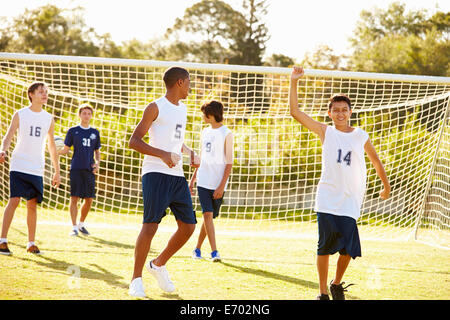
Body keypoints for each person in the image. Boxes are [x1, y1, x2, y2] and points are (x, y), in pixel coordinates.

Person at [289, 66, 391, 300]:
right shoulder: (325, 132)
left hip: (350, 200)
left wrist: (386, 186)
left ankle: (336, 283)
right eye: (336, 110)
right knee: (324, 246)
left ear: (351, 112)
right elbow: (295, 112)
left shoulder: (360, 135)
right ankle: (323, 293)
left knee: (348, 249)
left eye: (344, 110)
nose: (341, 114)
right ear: (329, 113)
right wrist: (294, 81)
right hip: (326, 198)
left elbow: (375, 161)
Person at [128, 67, 199, 298]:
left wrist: (189, 152)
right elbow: (134, 141)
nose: (190, 86)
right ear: (179, 82)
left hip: (177, 175)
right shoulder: (155, 107)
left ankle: (157, 264)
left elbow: (176, 141)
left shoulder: (183, 109)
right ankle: (136, 280)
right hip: (155, 173)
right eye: (189, 82)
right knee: (150, 226)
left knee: (188, 226)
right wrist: (163, 155)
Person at [0, 82, 60, 255]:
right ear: (31, 94)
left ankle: (31, 243)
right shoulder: (20, 114)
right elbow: (8, 136)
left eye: (46, 92)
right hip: (19, 164)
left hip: (36, 167)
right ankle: (2, 240)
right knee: (14, 200)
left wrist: (57, 171)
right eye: (41, 92)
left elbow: (51, 146)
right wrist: (2, 150)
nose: (44, 94)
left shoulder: (48, 118)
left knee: (32, 205)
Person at [189, 100, 233, 262]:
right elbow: (201, 159)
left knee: (209, 217)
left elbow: (229, 163)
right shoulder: (204, 132)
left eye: (204, 113)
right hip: (203, 180)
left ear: (211, 114)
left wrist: (221, 186)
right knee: (207, 214)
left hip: (218, 183)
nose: (202, 116)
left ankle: (197, 248)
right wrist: (192, 180)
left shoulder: (227, 134)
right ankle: (215, 252)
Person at [58, 104, 101, 236]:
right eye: (84, 113)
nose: (86, 115)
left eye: (89, 113)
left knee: (89, 199)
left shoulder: (95, 132)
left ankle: (81, 224)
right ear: (79, 115)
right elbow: (65, 150)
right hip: (76, 168)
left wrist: (97, 163)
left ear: (91, 115)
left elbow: (97, 152)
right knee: (74, 198)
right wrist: (55, 151)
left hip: (89, 170)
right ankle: (74, 227)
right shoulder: (73, 131)